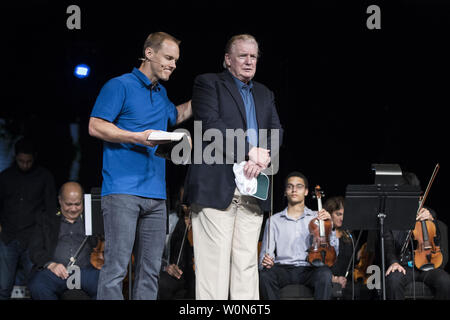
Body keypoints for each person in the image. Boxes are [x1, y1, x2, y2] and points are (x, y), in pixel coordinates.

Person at [88, 31, 192, 300]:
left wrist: (204, 97)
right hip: (122, 191)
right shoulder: (119, 85)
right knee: (116, 269)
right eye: (168, 58)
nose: (173, 64)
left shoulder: (161, 93)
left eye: (176, 60)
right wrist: (135, 136)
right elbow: (95, 126)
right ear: (149, 53)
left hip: (156, 195)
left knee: (149, 271)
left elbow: (175, 115)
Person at [185, 34, 283, 300]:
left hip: (253, 189)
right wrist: (249, 151)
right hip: (215, 186)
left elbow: (276, 130)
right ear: (228, 59)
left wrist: (265, 157)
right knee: (214, 267)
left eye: (254, 56)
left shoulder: (265, 92)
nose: (249, 61)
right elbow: (210, 125)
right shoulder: (208, 83)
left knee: (247, 265)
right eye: (243, 56)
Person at [258, 172, 336, 300]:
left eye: (299, 186)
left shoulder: (317, 217)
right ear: (285, 192)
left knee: (325, 274)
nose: (294, 189)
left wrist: (329, 226)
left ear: (306, 191)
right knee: (265, 276)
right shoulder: (274, 220)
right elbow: (265, 255)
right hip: (283, 268)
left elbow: (333, 250)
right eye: (290, 186)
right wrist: (266, 262)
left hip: (309, 268)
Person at [0, 138, 56, 299]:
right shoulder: (5, 177)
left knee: (36, 286)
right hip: (8, 238)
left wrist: (46, 237)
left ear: (35, 157)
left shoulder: (45, 177)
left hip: (33, 240)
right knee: (3, 287)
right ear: (15, 157)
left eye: (28, 161)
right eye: (21, 161)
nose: (25, 164)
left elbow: (51, 210)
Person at [27, 182, 99, 300]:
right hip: (55, 273)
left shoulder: (92, 218)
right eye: (68, 204)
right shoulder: (46, 219)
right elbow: (35, 249)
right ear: (60, 200)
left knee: (106, 284)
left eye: (77, 204)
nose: (73, 209)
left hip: (87, 272)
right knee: (38, 285)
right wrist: (51, 264)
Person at [385, 172, 450, 300]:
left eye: (416, 196)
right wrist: (393, 262)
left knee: (446, 281)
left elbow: (437, 241)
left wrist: (433, 223)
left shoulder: (428, 213)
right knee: (393, 280)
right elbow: (388, 245)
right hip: (403, 266)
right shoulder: (390, 218)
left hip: (428, 264)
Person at [158, 199, 195, 299]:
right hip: (171, 275)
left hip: (194, 278)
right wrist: (165, 267)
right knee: (164, 283)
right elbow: (153, 256)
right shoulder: (171, 219)